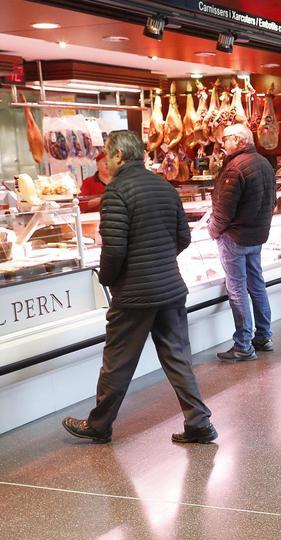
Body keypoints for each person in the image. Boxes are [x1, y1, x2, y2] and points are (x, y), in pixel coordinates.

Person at [62, 130, 216, 445]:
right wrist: (159, 260)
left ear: (119, 156)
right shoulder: (164, 186)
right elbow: (183, 237)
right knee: (177, 358)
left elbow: (114, 250)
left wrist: (107, 278)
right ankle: (199, 423)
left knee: (117, 361)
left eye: (107, 153)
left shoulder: (117, 192)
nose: (104, 159)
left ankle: (100, 424)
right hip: (170, 288)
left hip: (134, 294)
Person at [210, 123, 277, 362]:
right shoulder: (264, 163)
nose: (222, 143)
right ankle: (264, 336)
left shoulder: (234, 168)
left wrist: (213, 230)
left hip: (235, 238)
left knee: (237, 290)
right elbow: (273, 202)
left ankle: (243, 345)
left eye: (226, 138)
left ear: (238, 140)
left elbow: (223, 210)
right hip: (256, 237)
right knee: (257, 285)